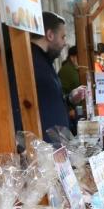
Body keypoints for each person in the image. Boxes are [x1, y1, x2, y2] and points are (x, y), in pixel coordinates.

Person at [29, 11, 84, 142]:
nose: (65, 43)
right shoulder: (31, 63)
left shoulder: (45, 61)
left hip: (56, 145)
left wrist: (70, 99)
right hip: (43, 147)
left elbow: (49, 101)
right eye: (63, 37)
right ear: (50, 35)